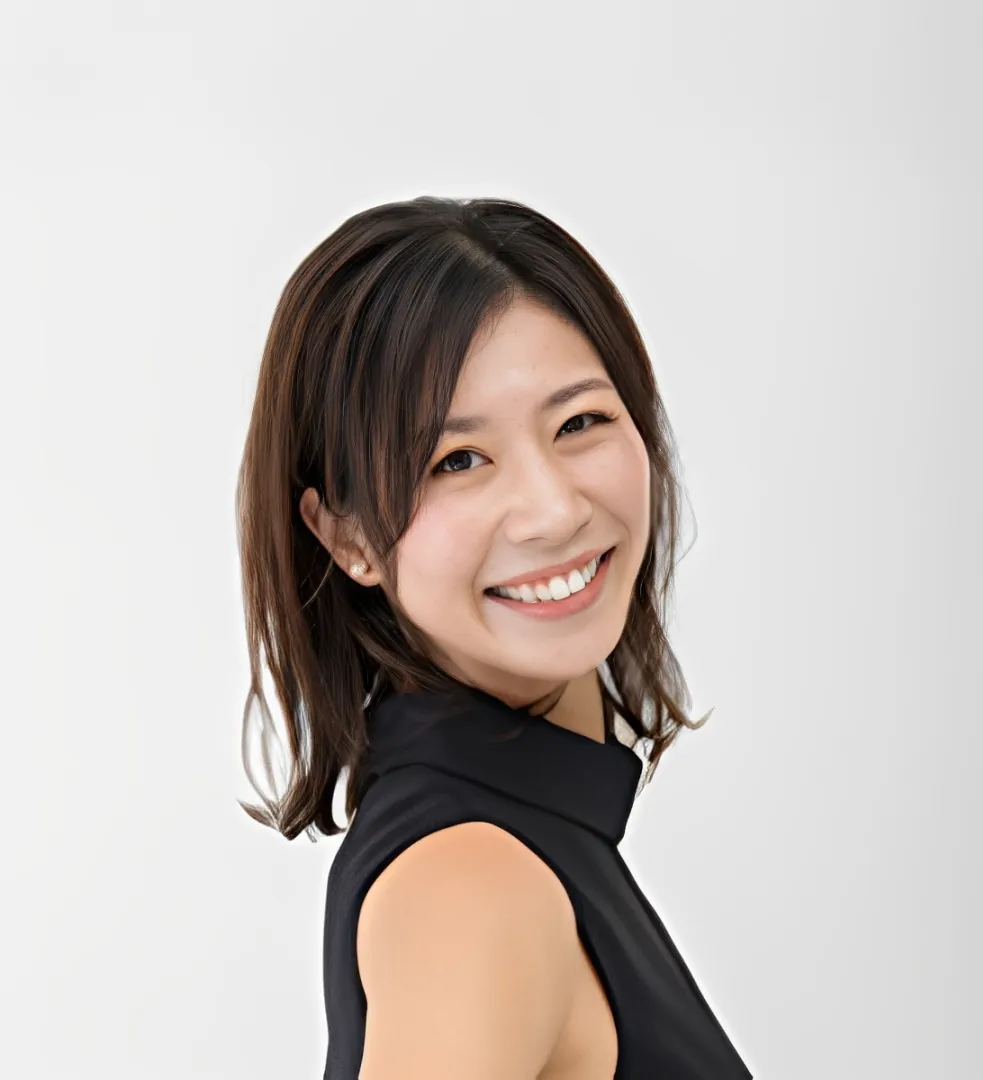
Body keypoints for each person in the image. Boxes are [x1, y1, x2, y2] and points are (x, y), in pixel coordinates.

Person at [235, 196, 752, 1079]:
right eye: (457, 461)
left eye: (580, 422)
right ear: (347, 536)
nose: (554, 510)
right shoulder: (472, 887)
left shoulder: (527, 843)